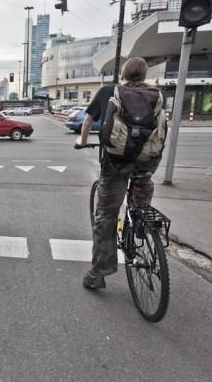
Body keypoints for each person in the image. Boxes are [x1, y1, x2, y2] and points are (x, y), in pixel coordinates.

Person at [75, 57, 163, 289]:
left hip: (115, 163)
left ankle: (98, 274)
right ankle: (142, 227)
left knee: (105, 216)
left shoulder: (108, 91)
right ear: (144, 75)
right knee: (143, 188)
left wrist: (82, 142)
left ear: (123, 73)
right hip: (146, 161)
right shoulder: (156, 95)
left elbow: (87, 122)